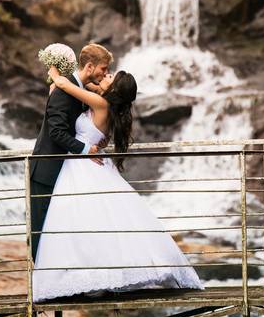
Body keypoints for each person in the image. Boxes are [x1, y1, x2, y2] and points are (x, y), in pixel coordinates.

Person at [32, 65, 204, 302]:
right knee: (89, 221)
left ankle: (91, 275)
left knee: (80, 220)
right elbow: (85, 85)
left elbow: (64, 85)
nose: (106, 76)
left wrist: (54, 67)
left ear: (113, 90)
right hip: (83, 162)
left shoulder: (101, 104)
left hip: (82, 165)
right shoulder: (105, 103)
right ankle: (90, 274)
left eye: (110, 77)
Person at [28, 43, 112, 260]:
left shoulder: (76, 89)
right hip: (46, 170)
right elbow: (56, 132)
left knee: (57, 231)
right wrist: (87, 149)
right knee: (40, 230)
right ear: (90, 66)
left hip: (65, 171)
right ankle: (38, 285)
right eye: (103, 68)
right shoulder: (62, 92)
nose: (105, 73)